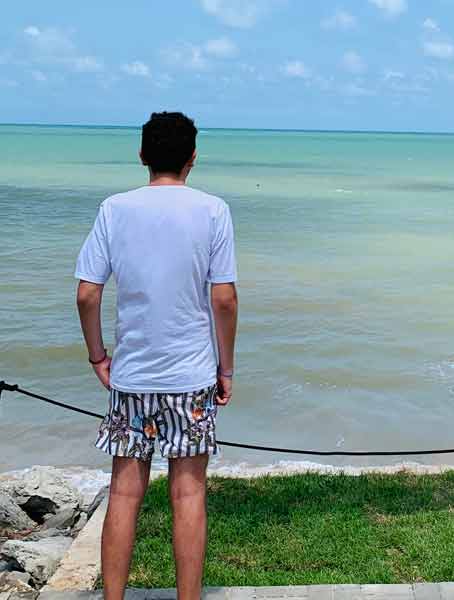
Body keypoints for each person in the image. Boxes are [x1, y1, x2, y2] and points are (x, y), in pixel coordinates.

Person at [74, 111, 238, 600]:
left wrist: (98, 357)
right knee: (188, 494)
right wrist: (225, 367)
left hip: (132, 378)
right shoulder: (212, 210)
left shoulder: (114, 208)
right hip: (191, 377)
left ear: (143, 155)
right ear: (192, 158)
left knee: (124, 493)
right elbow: (224, 299)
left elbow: (87, 294)